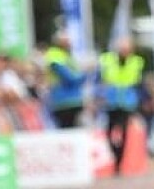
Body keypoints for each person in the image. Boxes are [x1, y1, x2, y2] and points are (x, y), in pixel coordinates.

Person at [98, 36, 145, 176]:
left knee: (123, 131)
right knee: (109, 131)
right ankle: (115, 153)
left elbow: (137, 83)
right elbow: (101, 79)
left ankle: (119, 162)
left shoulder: (136, 62)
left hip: (127, 103)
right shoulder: (108, 60)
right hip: (111, 102)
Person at [44, 31, 87, 128]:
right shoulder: (54, 56)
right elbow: (69, 78)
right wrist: (83, 75)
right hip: (63, 101)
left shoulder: (67, 55)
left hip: (74, 100)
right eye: (67, 41)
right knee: (66, 129)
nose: (70, 43)